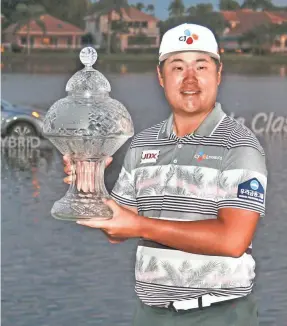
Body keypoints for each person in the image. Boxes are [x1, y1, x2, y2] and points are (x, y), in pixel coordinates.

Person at [63, 23, 267, 326]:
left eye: (201, 66)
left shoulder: (239, 144)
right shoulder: (143, 144)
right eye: (177, 67)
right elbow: (118, 228)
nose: (189, 79)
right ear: (160, 76)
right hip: (151, 315)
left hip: (221, 314)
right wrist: (90, 186)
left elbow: (232, 239)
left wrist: (140, 225)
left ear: (218, 74)